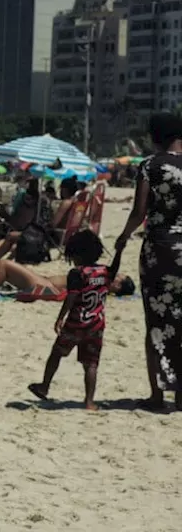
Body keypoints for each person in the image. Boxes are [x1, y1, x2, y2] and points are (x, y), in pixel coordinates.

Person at [114, 113, 182, 410]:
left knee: (157, 319)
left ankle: (157, 395)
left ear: (156, 136)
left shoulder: (150, 166)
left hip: (160, 251)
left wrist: (123, 237)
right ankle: (180, 395)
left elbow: (140, 211)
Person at [28, 231, 114, 410]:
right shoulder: (104, 271)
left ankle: (44, 386)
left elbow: (71, 297)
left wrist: (60, 317)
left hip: (76, 323)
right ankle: (89, 401)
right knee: (91, 364)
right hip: (96, 325)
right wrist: (119, 251)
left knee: (57, 353)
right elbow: (116, 266)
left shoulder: (77, 273)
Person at [0, 257, 133, 300]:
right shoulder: (100, 280)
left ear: (117, 286)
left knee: (4, 265)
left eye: (119, 277)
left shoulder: (100, 283)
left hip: (45, 285)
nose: (116, 275)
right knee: (3, 267)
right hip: (44, 281)